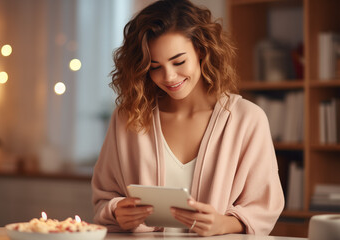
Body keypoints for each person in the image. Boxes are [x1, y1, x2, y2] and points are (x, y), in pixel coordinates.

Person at [91, 0, 284, 236]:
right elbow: (104, 199)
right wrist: (117, 211)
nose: (169, 76)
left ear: (202, 50)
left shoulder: (247, 119)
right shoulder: (128, 118)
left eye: (179, 61)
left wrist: (224, 224)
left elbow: (264, 208)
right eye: (154, 67)